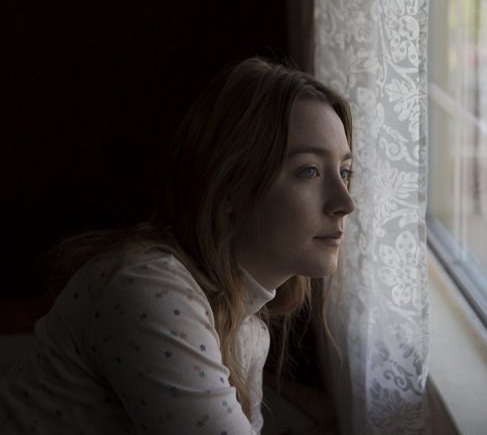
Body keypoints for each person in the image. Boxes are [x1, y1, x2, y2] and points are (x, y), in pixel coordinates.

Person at [0, 57, 355, 434]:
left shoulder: (249, 329)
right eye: (309, 171)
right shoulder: (150, 291)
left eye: (345, 172)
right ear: (231, 187)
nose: (346, 202)